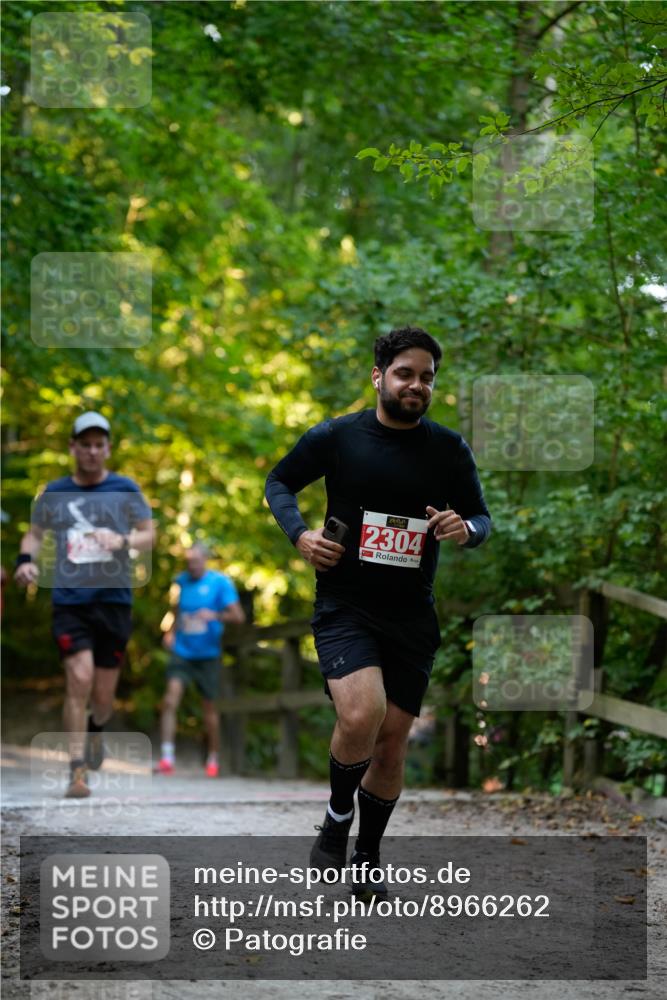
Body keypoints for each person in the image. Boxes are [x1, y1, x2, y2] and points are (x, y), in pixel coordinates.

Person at [265, 326, 491, 896]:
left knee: (391, 742)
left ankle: (368, 853)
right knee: (361, 714)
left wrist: (465, 528)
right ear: (379, 377)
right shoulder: (338, 437)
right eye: (405, 373)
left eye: (427, 377)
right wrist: (300, 536)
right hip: (346, 603)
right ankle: (338, 818)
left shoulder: (447, 449)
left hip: (412, 615)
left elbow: (482, 519)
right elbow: (279, 482)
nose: (417, 385)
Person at [14, 411, 155, 799]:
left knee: (104, 698)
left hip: (113, 601)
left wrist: (122, 540)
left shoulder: (125, 488)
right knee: (78, 679)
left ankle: (96, 727)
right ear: (73, 447)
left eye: (99, 445)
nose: (93, 451)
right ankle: (77, 770)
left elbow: (149, 535)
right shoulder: (55, 493)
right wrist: (24, 562)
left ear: (107, 449)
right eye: (85, 444)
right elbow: (33, 534)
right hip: (70, 601)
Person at [157, 543, 245, 777]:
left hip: (208, 655)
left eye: (196, 562)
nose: (192, 566)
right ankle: (167, 758)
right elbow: (175, 610)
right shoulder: (181, 581)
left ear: (205, 560)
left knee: (209, 708)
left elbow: (238, 616)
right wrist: (170, 631)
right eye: (188, 562)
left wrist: (214, 615)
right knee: (170, 700)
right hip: (182, 652)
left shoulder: (220, 583)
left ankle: (213, 758)